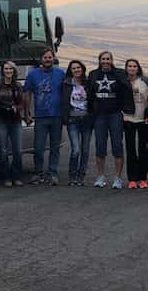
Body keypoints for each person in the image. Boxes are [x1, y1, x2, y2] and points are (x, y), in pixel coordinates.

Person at [87, 51, 134, 189]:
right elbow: (90, 94)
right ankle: (100, 176)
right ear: (99, 60)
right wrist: (91, 111)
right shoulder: (93, 74)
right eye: (103, 59)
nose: (105, 61)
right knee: (100, 146)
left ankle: (118, 178)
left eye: (108, 59)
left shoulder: (119, 73)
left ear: (112, 60)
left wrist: (127, 111)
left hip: (115, 114)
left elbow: (127, 90)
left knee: (117, 146)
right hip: (99, 115)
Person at [24, 48, 66, 186]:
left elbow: (66, 93)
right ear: (41, 59)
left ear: (53, 59)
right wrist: (27, 113)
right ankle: (38, 173)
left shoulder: (61, 74)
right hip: (40, 116)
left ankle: (52, 173)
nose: (48, 60)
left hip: (56, 116)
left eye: (50, 57)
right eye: (45, 57)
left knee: (55, 147)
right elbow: (27, 94)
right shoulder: (33, 75)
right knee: (39, 147)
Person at [0, 61, 28, 187]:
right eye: (6, 69)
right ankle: (6, 177)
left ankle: (16, 176)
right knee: (3, 150)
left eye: (10, 69)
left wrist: (16, 108)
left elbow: (22, 103)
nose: (8, 71)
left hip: (15, 120)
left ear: (14, 71)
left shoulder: (17, 85)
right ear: (3, 71)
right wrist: (5, 108)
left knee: (18, 150)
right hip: (1, 120)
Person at [61, 59, 92, 187]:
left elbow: (93, 101)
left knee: (85, 150)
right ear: (70, 71)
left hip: (86, 120)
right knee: (76, 150)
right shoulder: (66, 84)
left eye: (78, 68)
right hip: (72, 120)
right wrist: (65, 118)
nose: (76, 70)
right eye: (73, 68)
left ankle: (81, 176)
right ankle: (72, 175)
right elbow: (63, 101)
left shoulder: (88, 84)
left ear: (82, 69)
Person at [123, 58, 148, 189]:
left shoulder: (144, 83)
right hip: (129, 119)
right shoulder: (123, 82)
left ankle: (142, 178)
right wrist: (123, 115)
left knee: (143, 150)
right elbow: (119, 100)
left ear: (138, 68)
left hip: (142, 119)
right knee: (130, 150)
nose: (132, 68)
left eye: (134, 66)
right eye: (130, 66)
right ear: (126, 68)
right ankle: (132, 179)